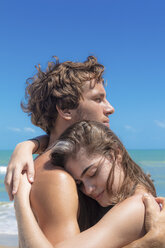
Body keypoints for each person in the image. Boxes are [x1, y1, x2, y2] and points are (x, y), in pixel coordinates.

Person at [5, 56, 165, 247]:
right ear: (65, 109)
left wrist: (29, 144)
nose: (111, 109)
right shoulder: (56, 177)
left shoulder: (73, 161)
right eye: (98, 99)